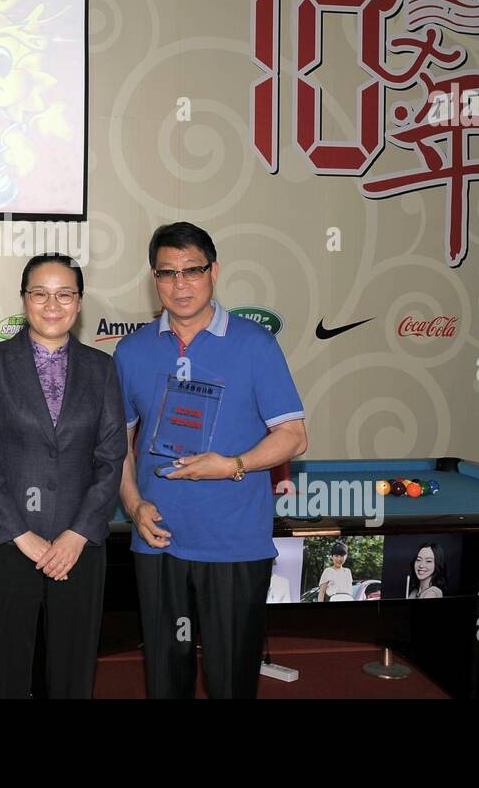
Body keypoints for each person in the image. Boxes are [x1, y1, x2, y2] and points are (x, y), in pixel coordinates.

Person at [114, 222, 307, 698]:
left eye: (192, 271)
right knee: (165, 679)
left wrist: (233, 464)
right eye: (167, 273)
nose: (180, 284)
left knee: (230, 679)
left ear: (214, 272)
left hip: (234, 543)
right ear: (153, 279)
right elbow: (115, 443)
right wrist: (135, 505)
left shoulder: (254, 343)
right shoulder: (131, 349)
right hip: (158, 540)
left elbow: (293, 436)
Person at [0, 254, 126, 698]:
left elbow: (111, 456)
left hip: (80, 546)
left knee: (74, 672)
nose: (52, 305)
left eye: (64, 294)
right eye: (40, 293)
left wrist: (77, 534)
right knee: (7, 671)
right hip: (6, 542)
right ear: (24, 300)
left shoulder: (102, 367)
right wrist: (21, 533)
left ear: (78, 302)